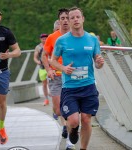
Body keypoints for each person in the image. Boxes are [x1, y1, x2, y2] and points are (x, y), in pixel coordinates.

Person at [50, 6, 104, 150]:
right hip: (70, 87)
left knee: (86, 120)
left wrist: (99, 63)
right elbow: (52, 60)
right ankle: (73, 129)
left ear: (82, 19)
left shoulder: (92, 39)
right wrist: (63, 68)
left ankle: (83, 148)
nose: (74, 20)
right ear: (68, 20)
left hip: (88, 86)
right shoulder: (62, 41)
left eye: (77, 17)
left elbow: (98, 63)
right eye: (71, 17)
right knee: (73, 121)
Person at [42, 8, 75, 150]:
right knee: (58, 110)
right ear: (59, 20)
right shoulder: (52, 37)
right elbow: (44, 55)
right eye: (63, 18)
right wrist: (48, 69)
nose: (66, 21)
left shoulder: (76, 35)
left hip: (72, 77)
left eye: (68, 18)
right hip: (56, 76)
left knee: (70, 109)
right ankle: (66, 126)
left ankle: (69, 137)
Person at [0, 8, 21, 144]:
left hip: (2, 72)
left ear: (0, 18)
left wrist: (9, 55)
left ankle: (1, 126)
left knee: (1, 103)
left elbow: (18, 51)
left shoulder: (6, 32)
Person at [34, 33, 49, 106]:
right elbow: (35, 57)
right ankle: (46, 99)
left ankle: (53, 97)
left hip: (50, 67)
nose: (44, 39)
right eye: (43, 38)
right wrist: (38, 62)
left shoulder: (50, 44)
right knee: (44, 84)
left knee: (50, 82)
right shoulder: (38, 47)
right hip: (42, 68)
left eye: (45, 38)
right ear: (40, 39)